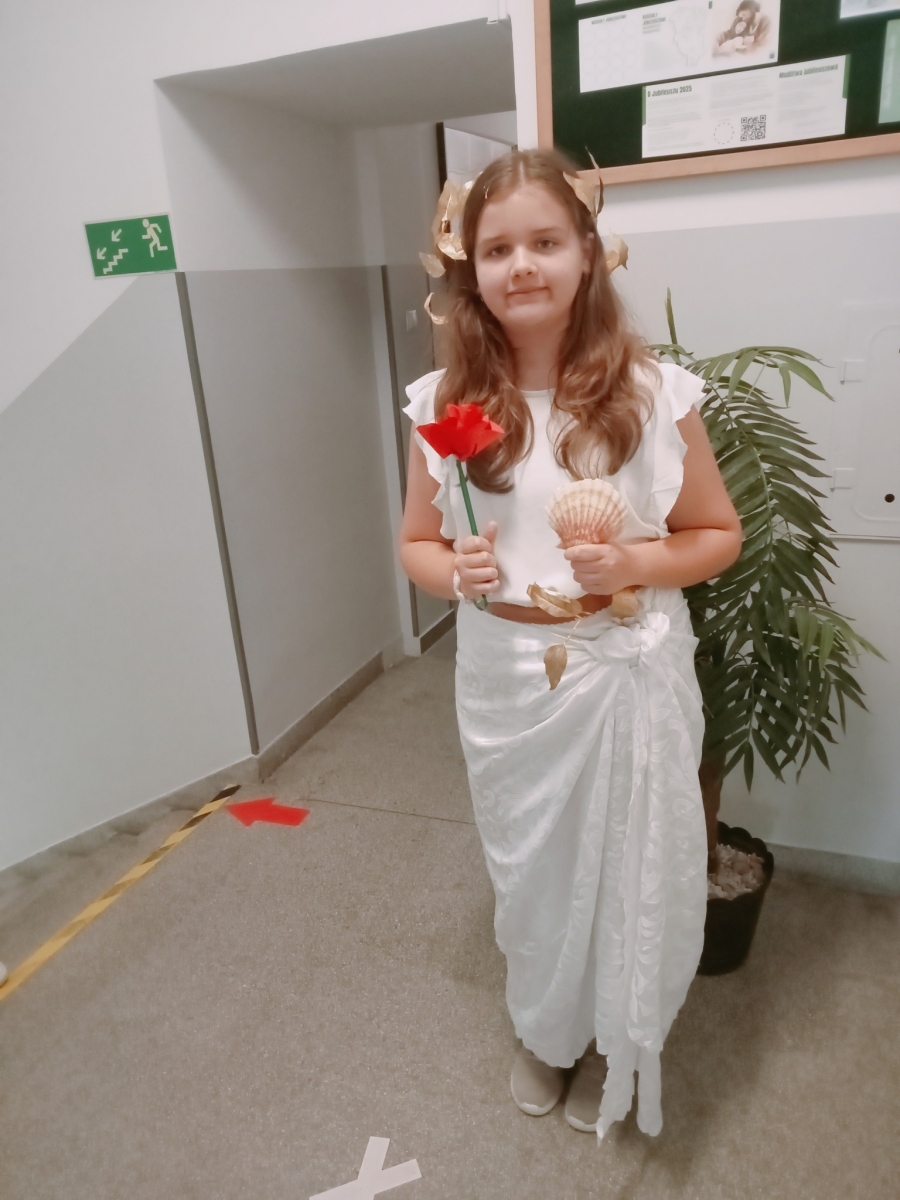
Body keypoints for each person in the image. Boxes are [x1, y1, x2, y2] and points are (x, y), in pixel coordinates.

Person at [399, 149, 742, 1142]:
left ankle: (617, 1041)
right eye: (497, 249)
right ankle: (547, 1032)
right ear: (470, 268)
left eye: (545, 242)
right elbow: (416, 544)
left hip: (624, 663)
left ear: (588, 252)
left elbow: (717, 535)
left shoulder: (654, 392)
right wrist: (451, 573)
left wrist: (634, 561)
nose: (522, 266)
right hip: (505, 677)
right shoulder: (442, 403)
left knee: (633, 864)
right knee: (534, 873)